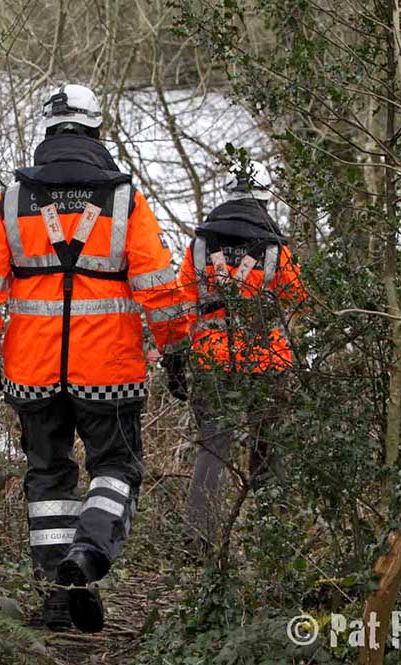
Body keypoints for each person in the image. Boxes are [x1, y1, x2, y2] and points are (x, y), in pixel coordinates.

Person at [0, 84, 190, 632]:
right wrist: (176, 349)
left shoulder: (12, 200)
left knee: (48, 477)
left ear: (48, 129)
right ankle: (86, 559)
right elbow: (157, 287)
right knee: (117, 468)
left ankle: (56, 592)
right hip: (108, 367)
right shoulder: (123, 199)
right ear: (95, 129)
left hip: (31, 369)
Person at [174, 160, 307, 549]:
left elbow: (184, 303)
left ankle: (198, 537)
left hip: (212, 358)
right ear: (265, 199)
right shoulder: (276, 249)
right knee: (268, 448)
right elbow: (297, 299)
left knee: (213, 447)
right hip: (265, 361)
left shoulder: (199, 245)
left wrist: (179, 359)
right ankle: (273, 537)